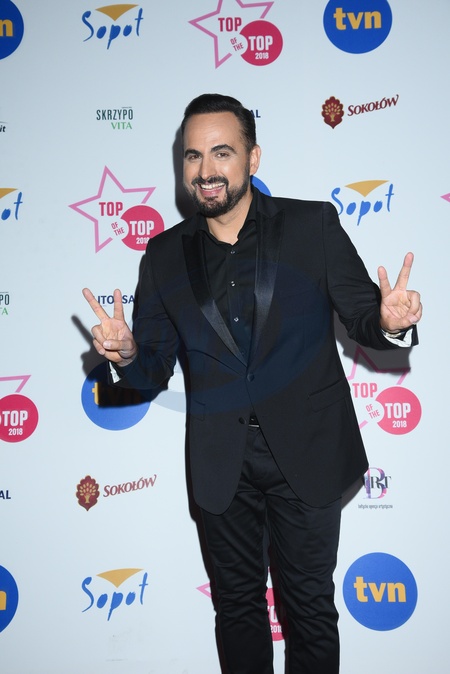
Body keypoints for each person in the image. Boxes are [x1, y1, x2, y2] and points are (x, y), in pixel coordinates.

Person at [83, 93, 422, 674]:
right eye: (193, 156)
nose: (206, 170)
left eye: (222, 152)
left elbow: (366, 318)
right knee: (237, 610)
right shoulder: (162, 255)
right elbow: (152, 371)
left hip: (308, 451)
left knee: (309, 611)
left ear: (253, 158)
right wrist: (130, 353)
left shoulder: (312, 226)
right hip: (222, 462)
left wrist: (390, 323)